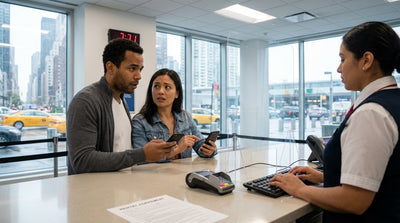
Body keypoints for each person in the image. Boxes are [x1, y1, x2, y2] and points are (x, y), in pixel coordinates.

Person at [270, 21, 400, 222]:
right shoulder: (392, 100)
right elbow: (386, 174)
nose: (339, 68)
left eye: (342, 59)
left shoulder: (372, 113)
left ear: (366, 60)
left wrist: (299, 189)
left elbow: (354, 200)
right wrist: (327, 177)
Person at [67, 39, 176, 174]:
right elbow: (81, 160)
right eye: (132, 68)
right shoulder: (85, 101)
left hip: (121, 188)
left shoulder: (121, 101)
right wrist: (141, 154)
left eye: (140, 70)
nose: (139, 76)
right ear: (111, 67)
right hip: (95, 192)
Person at [132, 68, 217, 160]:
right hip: (155, 174)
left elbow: (199, 145)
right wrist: (177, 150)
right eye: (156, 86)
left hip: (183, 173)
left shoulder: (185, 117)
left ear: (177, 93)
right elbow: (141, 159)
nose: (160, 91)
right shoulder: (140, 122)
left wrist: (210, 150)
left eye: (167, 87)